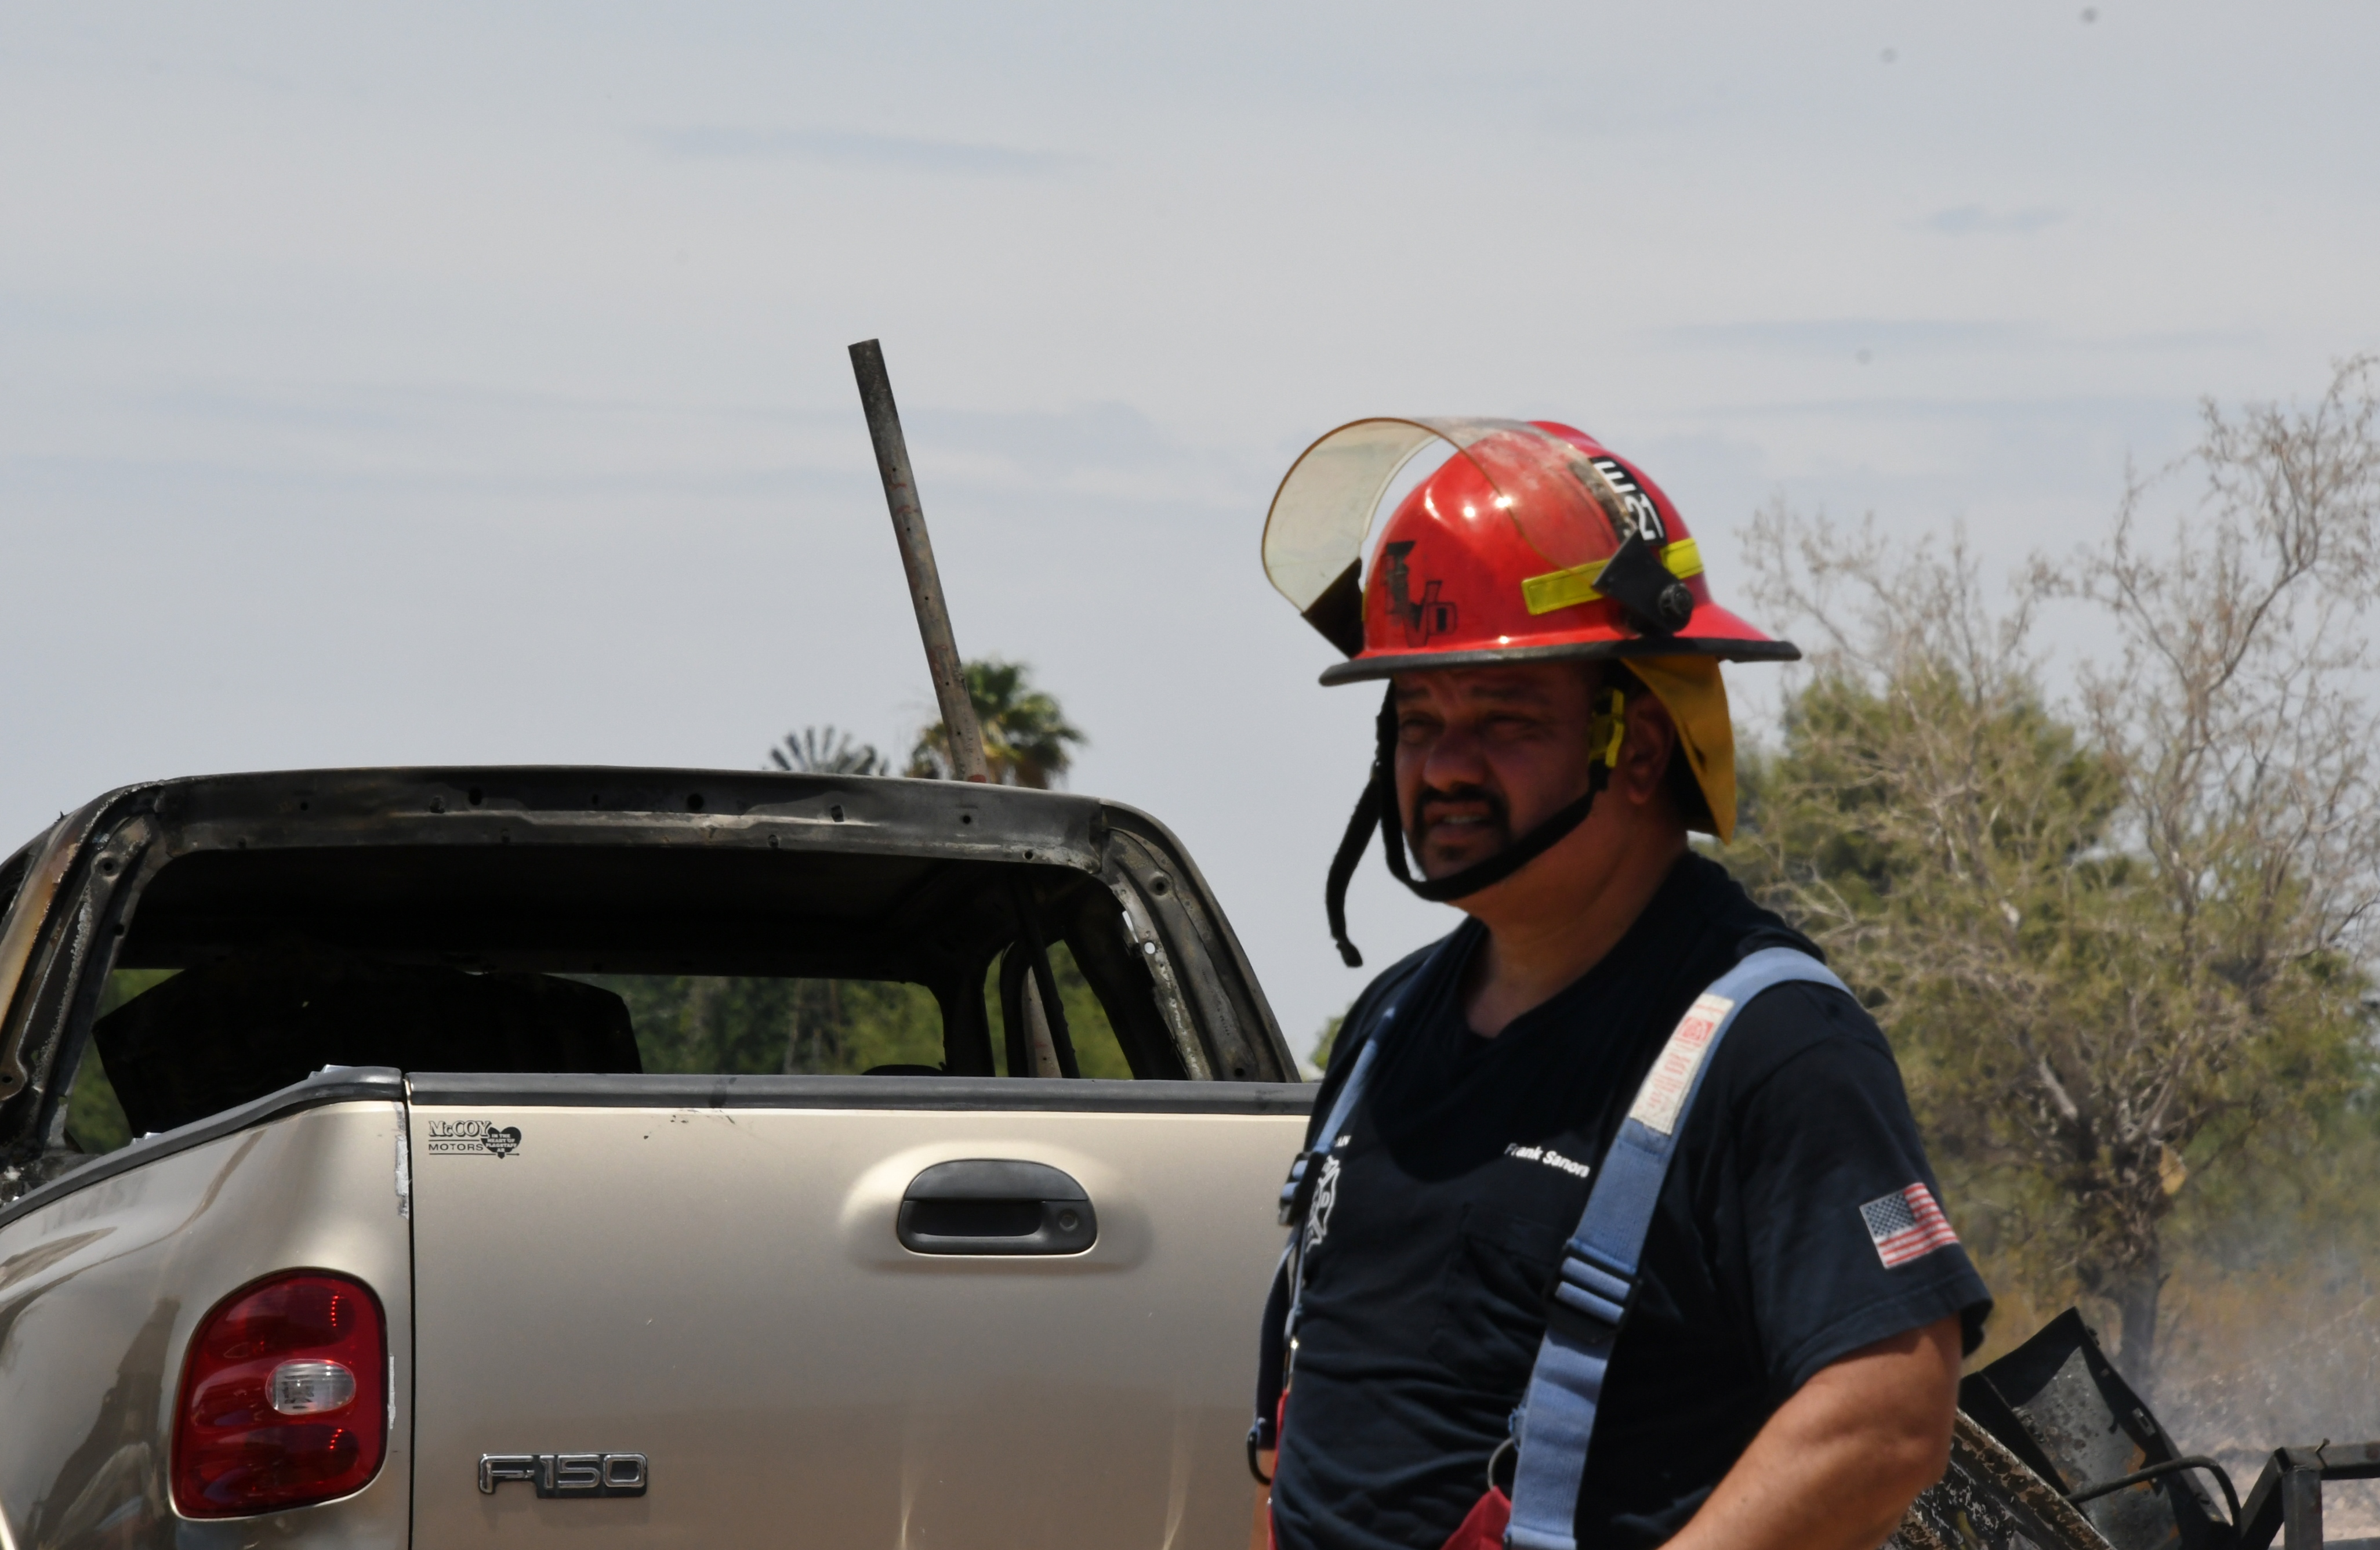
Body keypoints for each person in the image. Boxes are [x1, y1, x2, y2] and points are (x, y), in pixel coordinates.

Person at [1249, 419, 1990, 1550]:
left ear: (1639, 749)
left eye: (1503, 720)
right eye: (1417, 720)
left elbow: (1888, 1413)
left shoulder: (1776, 1050)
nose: (1444, 766)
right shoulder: (1387, 1025)